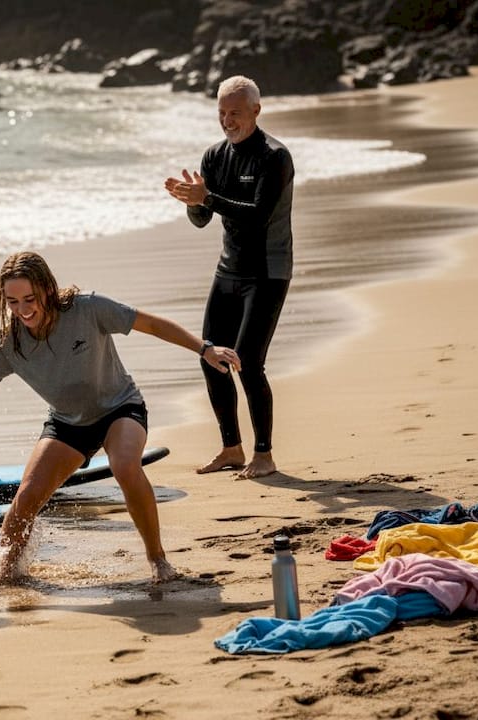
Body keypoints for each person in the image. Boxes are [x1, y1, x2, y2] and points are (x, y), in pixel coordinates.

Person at [0, 251, 241, 584]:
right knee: (25, 500)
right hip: (67, 423)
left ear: (48, 289)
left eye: (29, 298)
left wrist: (205, 348)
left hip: (119, 408)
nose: (22, 310)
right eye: (12, 302)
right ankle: (5, 570)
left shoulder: (88, 309)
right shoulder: (9, 342)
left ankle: (158, 559)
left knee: (124, 465)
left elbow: (149, 323)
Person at [164, 74, 294, 480]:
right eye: (221, 112)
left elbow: (258, 215)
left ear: (256, 110)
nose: (227, 120)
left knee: (250, 363)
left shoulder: (275, 157)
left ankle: (264, 454)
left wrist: (209, 199)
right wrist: (192, 201)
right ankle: (231, 448)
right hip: (229, 269)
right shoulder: (215, 156)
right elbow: (204, 219)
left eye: (235, 112)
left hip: (268, 270)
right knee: (212, 357)